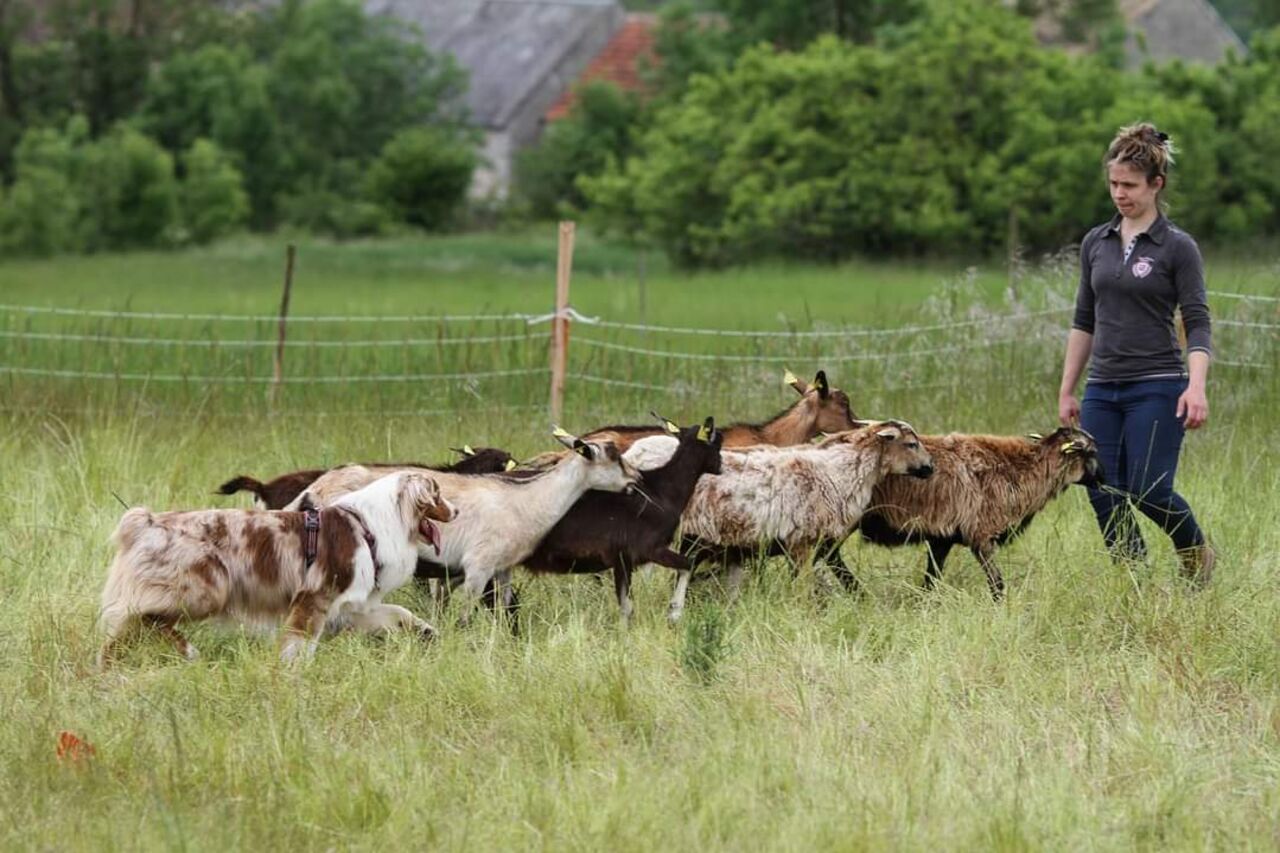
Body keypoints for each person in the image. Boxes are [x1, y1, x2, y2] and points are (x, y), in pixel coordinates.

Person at [1057, 122, 1215, 586]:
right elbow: (1084, 319)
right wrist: (1068, 389)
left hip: (1157, 384)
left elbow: (1197, 320)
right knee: (1100, 486)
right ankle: (1134, 579)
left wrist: (1196, 386)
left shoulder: (1178, 247)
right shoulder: (1096, 242)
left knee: (1149, 489)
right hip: (1102, 387)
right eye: (1113, 184)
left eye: (1129, 185)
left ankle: (1196, 552)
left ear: (1156, 184)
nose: (1119, 194)